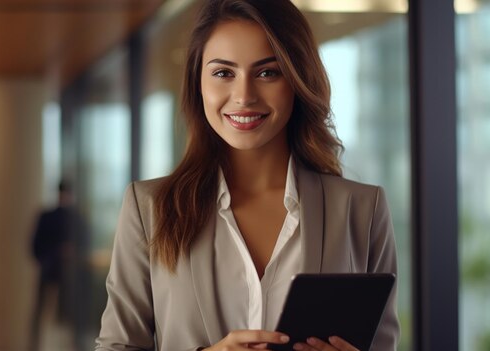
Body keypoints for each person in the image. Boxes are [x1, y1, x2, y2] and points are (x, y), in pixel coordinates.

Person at [96, 0, 399, 350]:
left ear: (297, 80)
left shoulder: (362, 208)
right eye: (223, 73)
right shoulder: (149, 209)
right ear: (198, 83)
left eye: (268, 72)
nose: (243, 96)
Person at [29, 180, 89, 351]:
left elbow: (84, 245)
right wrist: (56, 254)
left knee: (70, 317)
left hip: (68, 275)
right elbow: (35, 247)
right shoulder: (51, 217)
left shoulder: (76, 218)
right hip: (50, 272)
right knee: (42, 314)